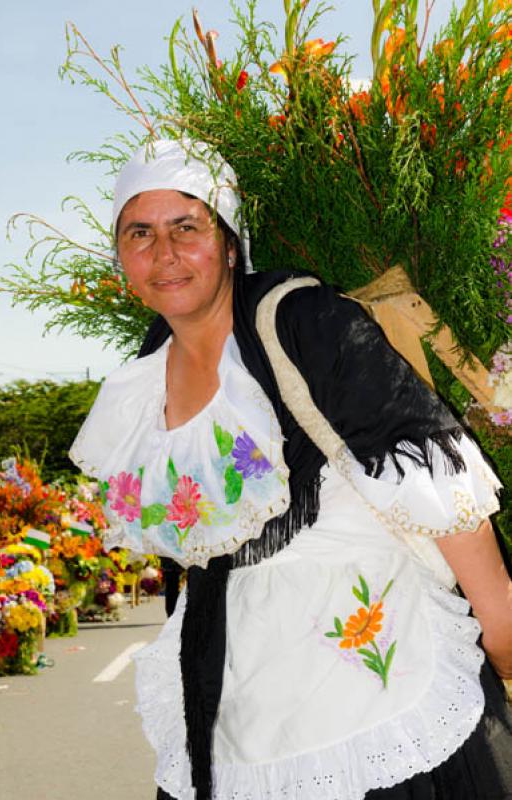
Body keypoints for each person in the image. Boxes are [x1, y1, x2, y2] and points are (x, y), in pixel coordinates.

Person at [70, 138, 512, 800]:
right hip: (240, 708)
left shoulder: (301, 320)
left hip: (371, 684)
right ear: (122, 255)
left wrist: (503, 633)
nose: (164, 253)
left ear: (227, 243)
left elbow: (435, 480)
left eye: (186, 228)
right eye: (140, 233)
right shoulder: (144, 372)